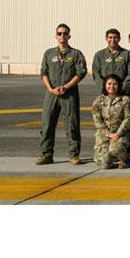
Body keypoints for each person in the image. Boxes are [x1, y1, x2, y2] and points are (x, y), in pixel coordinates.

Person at [37, 23, 87, 165]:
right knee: (47, 124)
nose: (62, 36)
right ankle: (46, 154)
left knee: (72, 124)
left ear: (69, 36)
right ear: (55, 36)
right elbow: (43, 72)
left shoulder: (75, 54)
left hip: (69, 93)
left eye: (65, 33)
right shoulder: (49, 53)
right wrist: (50, 89)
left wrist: (66, 86)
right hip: (51, 93)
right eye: (59, 33)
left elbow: (81, 72)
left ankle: (73, 155)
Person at [91, 74, 130, 169]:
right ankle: (111, 157)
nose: (112, 86)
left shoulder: (125, 100)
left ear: (119, 85)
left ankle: (126, 159)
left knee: (115, 149)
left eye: (115, 84)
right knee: (104, 164)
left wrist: (118, 134)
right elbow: (97, 120)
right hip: (104, 135)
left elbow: (128, 119)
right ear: (105, 85)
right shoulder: (99, 100)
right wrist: (109, 134)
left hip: (121, 134)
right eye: (109, 84)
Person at [91, 28, 130, 97]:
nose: (112, 40)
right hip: (105, 94)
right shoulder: (99, 55)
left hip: (122, 93)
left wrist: (122, 88)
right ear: (106, 39)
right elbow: (96, 73)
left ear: (119, 39)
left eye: (115, 37)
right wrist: (105, 89)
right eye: (110, 37)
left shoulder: (127, 54)